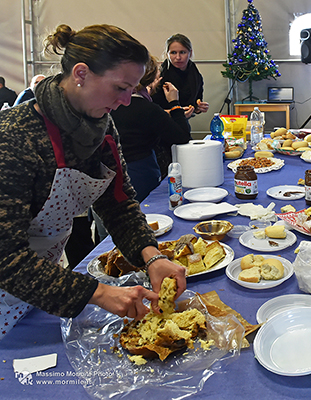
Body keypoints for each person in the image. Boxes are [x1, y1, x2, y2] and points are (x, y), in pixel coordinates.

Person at [0, 24, 187, 340]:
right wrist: (98, 293)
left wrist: (151, 256)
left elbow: (118, 203)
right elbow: (7, 258)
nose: (127, 100)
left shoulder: (100, 127)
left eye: (133, 89)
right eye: (120, 88)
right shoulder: (15, 139)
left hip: (44, 283)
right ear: (81, 73)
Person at [111, 56, 192, 202]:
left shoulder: (110, 103)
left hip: (109, 172)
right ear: (151, 81)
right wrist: (175, 103)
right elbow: (182, 137)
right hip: (140, 173)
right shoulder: (148, 109)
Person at [152, 33, 209, 178]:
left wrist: (198, 108)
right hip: (160, 131)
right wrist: (173, 111)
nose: (178, 57)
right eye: (173, 53)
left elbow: (195, 101)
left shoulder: (195, 74)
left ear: (190, 53)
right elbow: (151, 108)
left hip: (182, 125)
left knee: (186, 168)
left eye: (182, 52)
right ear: (167, 54)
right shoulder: (161, 76)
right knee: (170, 172)